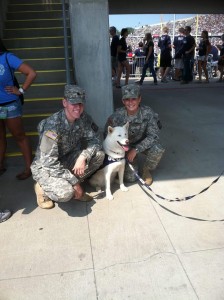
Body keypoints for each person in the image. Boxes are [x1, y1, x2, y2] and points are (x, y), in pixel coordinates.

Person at [31, 84, 104, 209]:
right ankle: (42, 187)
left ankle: (67, 181)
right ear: (64, 102)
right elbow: (48, 162)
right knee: (66, 193)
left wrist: (83, 156)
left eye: (80, 104)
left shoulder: (84, 118)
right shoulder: (52, 126)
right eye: (73, 103)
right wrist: (75, 183)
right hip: (45, 167)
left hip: (67, 158)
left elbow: (97, 140)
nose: (78, 108)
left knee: (99, 155)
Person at [104, 84, 165, 185]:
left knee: (158, 148)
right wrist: (120, 152)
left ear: (139, 99)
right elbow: (107, 136)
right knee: (130, 179)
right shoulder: (116, 116)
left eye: (134, 99)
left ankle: (146, 170)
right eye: (127, 99)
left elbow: (153, 135)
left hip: (142, 143)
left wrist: (136, 150)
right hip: (124, 147)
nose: (130, 102)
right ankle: (130, 162)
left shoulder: (148, 113)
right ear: (123, 101)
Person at [0, 38, 37, 179]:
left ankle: (29, 169)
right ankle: (0, 165)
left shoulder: (7, 57)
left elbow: (31, 73)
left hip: (9, 105)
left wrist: (20, 91)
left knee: (19, 136)